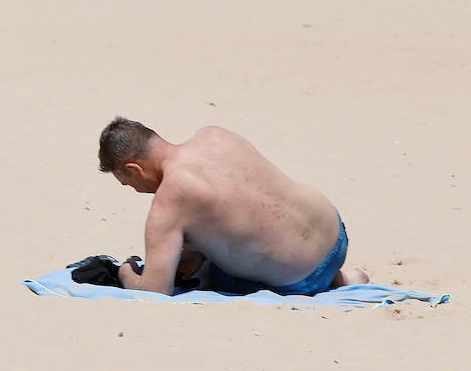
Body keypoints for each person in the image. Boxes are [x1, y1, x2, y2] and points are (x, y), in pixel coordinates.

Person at [97, 118, 369, 296]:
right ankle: (341, 277)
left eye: (129, 184)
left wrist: (125, 271)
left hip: (301, 279)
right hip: (335, 233)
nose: (137, 191)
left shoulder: (168, 202)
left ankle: (335, 281)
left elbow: (154, 293)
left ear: (134, 168)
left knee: (209, 276)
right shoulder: (214, 135)